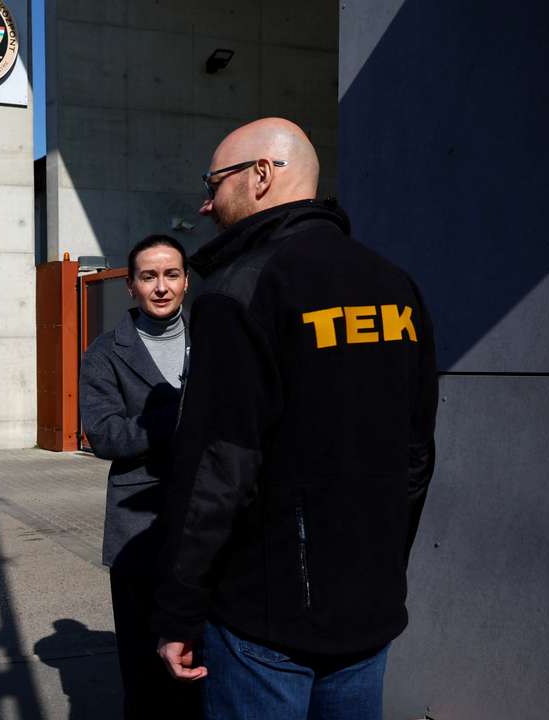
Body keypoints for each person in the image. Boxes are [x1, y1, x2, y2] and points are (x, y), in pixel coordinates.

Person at [152, 118, 438, 719]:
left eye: (213, 182)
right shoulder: (396, 284)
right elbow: (416, 455)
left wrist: (178, 608)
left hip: (266, 618)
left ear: (260, 176)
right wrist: (382, 564)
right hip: (368, 604)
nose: (206, 204)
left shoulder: (239, 290)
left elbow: (215, 471)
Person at [80, 234, 199, 718]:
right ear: (130, 286)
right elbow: (104, 435)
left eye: (171, 274)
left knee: (206, 664)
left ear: (186, 281)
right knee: (145, 674)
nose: (161, 287)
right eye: (149, 277)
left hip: (212, 522)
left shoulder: (213, 341)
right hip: (138, 534)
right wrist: (180, 417)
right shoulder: (106, 352)